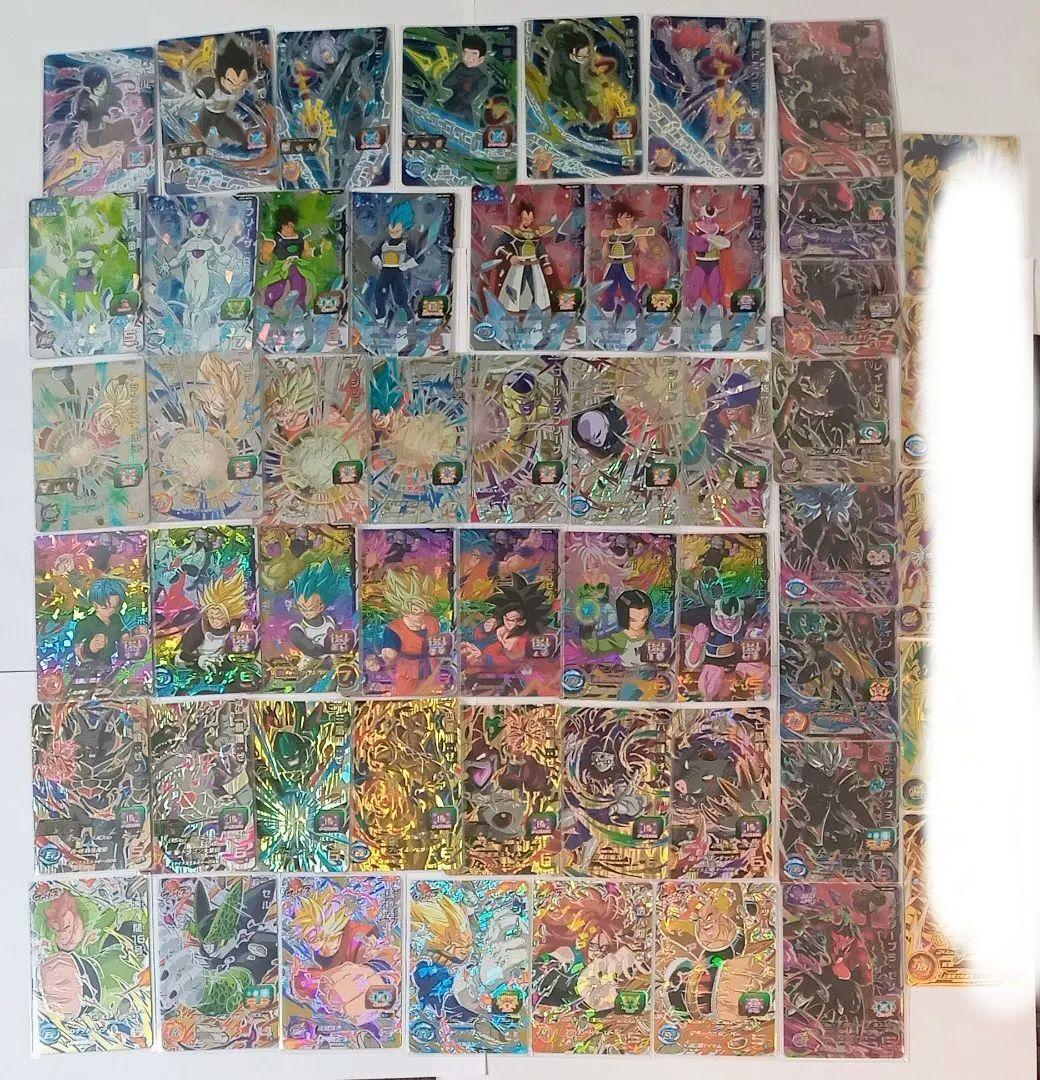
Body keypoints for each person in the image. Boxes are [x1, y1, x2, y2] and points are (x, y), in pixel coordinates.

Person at [192, 38, 258, 148]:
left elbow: (247, 104)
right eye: (232, 82)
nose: (236, 87)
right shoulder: (211, 85)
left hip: (221, 116)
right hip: (205, 115)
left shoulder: (242, 90)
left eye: (241, 83)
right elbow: (193, 96)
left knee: (239, 137)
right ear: (221, 77)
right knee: (197, 140)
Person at [493, 202, 555, 316]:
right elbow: (498, 246)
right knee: (516, 290)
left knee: (537, 290)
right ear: (519, 217)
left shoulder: (536, 233)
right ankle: (513, 313)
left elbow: (541, 250)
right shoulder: (513, 233)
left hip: (534, 266)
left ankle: (536, 313)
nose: (528, 222)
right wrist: (510, 256)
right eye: (525, 219)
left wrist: (547, 265)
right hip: (518, 266)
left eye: (530, 219)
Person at [441, 34, 491, 124]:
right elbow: (446, 83)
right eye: (466, 53)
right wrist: (458, 75)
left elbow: (468, 99)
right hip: (449, 104)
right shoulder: (460, 68)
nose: (468, 58)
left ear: (481, 59)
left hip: (463, 112)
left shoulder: (482, 79)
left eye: (474, 55)